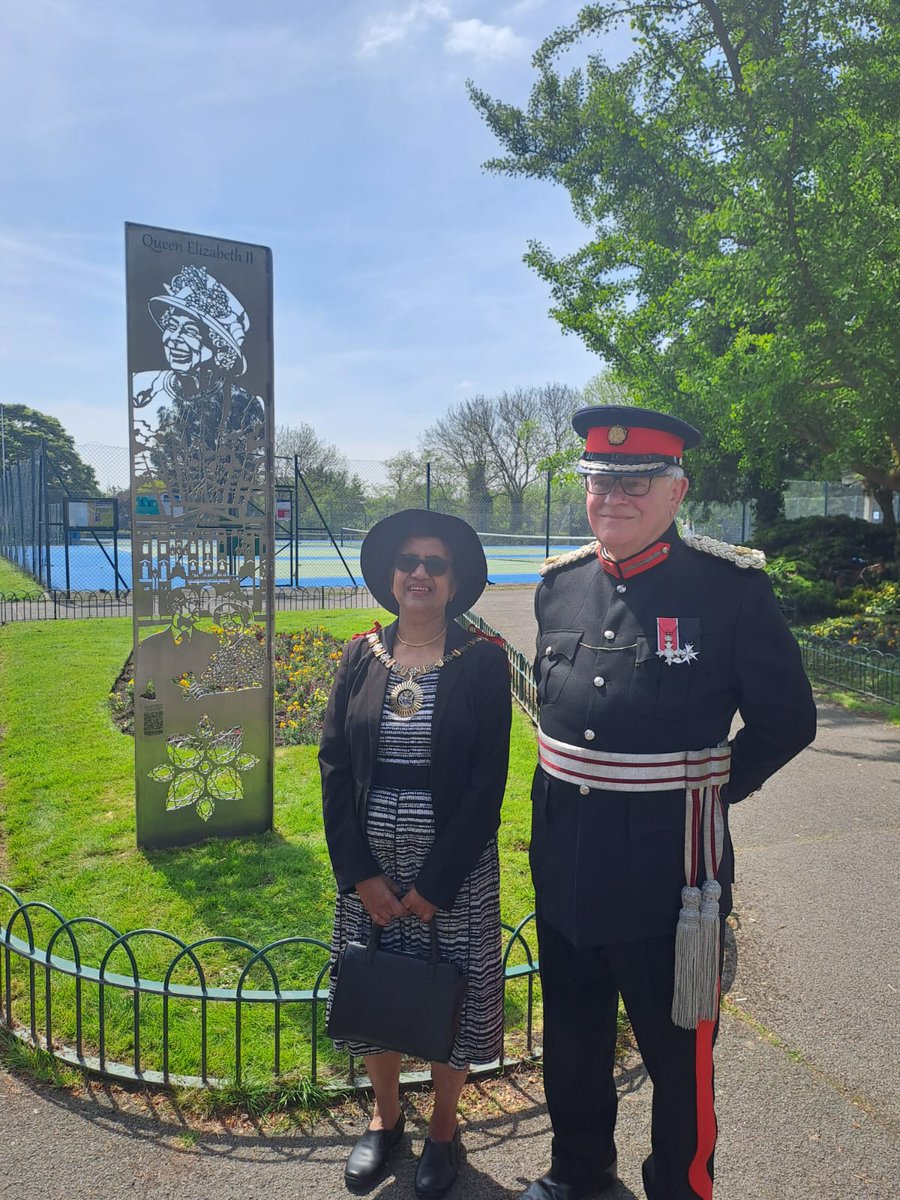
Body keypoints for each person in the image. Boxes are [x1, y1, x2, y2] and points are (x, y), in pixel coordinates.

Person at [520, 407, 817, 1200]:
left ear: (677, 489)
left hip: (669, 879)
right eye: (598, 480)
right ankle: (579, 1175)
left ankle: (678, 1191)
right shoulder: (559, 586)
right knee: (574, 1042)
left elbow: (789, 721)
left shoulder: (730, 590)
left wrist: (707, 789)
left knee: (678, 1061)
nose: (612, 495)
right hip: (567, 867)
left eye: (635, 480)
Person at [320, 509, 512, 1199]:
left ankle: (442, 1129)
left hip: (451, 868)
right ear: (390, 576)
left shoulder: (484, 661)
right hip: (371, 858)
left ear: (454, 580)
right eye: (409, 562)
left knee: (450, 995)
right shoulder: (359, 655)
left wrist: (436, 883)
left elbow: (489, 782)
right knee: (376, 987)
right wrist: (361, 874)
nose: (420, 573)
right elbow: (334, 765)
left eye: (435, 564)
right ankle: (385, 1117)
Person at [131, 263, 265, 523]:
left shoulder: (246, 404)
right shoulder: (141, 388)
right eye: (171, 325)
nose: (173, 338)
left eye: (190, 331)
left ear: (218, 345)